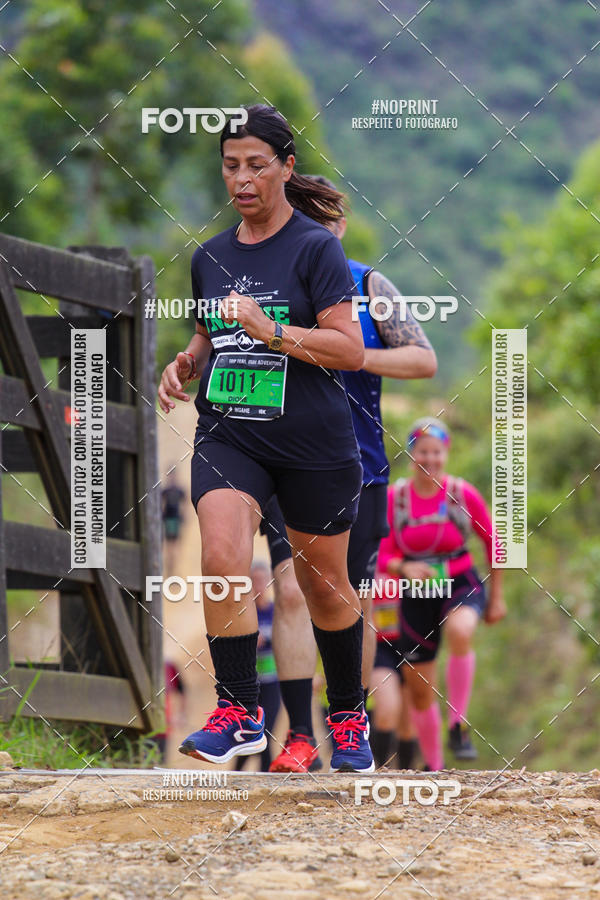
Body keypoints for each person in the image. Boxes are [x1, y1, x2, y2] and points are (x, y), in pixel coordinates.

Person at [158, 104, 374, 773]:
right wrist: (189, 361)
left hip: (313, 443)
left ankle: (346, 717)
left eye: (256, 164)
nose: (242, 178)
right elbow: (208, 332)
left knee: (325, 588)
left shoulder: (316, 248)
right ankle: (238, 712)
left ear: (286, 167)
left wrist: (273, 332)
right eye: (231, 166)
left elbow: (348, 349)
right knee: (220, 552)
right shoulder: (211, 257)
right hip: (231, 435)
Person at [262, 176, 437, 772]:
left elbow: (423, 358)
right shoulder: (269, 287)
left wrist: (353, 353)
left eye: (329, 222)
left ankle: (349, 730)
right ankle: (298, 737)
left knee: (349, 601)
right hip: (283, 465)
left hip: (358, 470)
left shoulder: (369, 286)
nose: (321, 232)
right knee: (289, 589)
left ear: (340, 228)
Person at [377, 417, 507, 770]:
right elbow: (383, 554)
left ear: (445, 453)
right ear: (410, 454)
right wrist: (403, 568)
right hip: (415, 593)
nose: (429, 459)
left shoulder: (462, 494)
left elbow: (495, 542)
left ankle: (458, 724)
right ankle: (434, 768)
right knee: (420, 690)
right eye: (422, 452)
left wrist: (497, 597)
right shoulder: (395, 498)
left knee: (461, 629)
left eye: (436, 452)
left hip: (459, 580)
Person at [233, 561, 281, 771]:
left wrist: (268, 640)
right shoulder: (244, 613)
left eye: (261, 580)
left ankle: (263, 779)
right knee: (248, 736)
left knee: (266, 733)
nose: (258, 585)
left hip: (273, 684)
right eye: (253, 581)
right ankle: (237, 775)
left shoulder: (277, 612)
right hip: (250, 685)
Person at [369, 584, 419, 770]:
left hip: (412, 645)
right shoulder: (365, 559)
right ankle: (379, 769)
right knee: (386, 710)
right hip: (378, 646)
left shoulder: (412, 557)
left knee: (408, 725)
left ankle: (406, 774)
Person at [161, 471, 185, 575]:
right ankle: (170, 572)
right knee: (170, 549)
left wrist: (183, 518)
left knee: (174, 549)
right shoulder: (165, 491)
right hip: (168, 521)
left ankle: (172, 571)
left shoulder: (180, 491)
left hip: (175, 521)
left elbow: (184, 507)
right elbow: (161, 505)